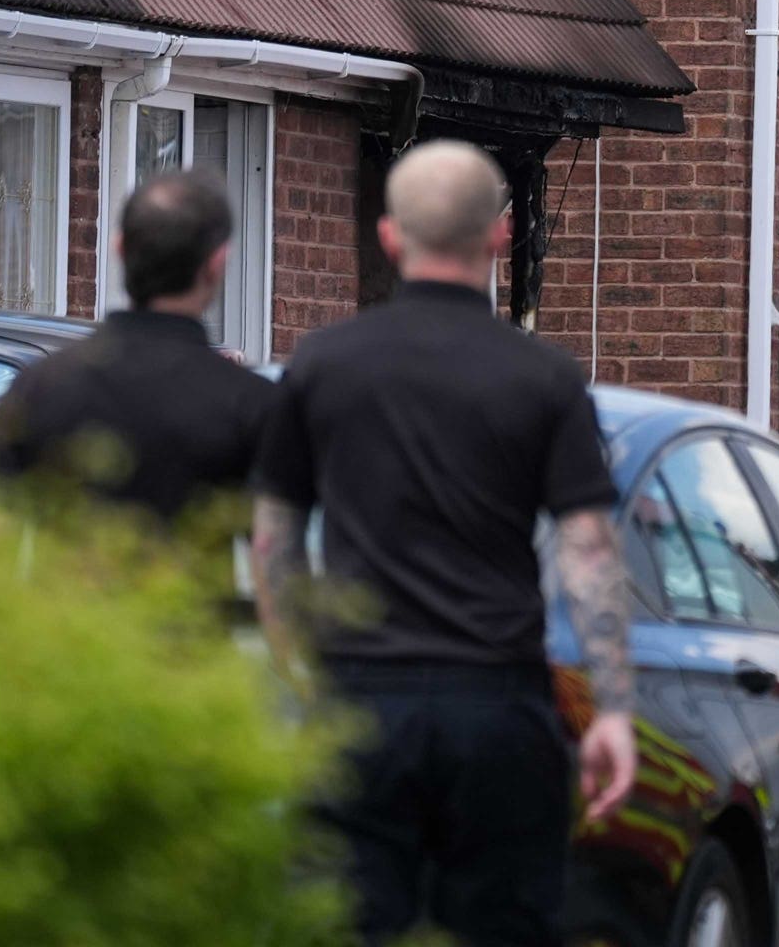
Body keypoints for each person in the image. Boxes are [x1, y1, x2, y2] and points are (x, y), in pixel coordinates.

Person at [251, 139, 635, 947]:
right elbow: (590, 550)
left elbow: (273, 543)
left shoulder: (323, 366)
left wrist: (305, 671)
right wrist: (613, 709)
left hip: (360, 703)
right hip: (497, 706)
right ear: (499, 236)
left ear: (391, 238)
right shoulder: (546, 379)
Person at [0, 169, 274, 528]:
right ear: (216, 263)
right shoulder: (253, 405)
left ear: (119, 249)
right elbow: (275, 554)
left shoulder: (37, 388)